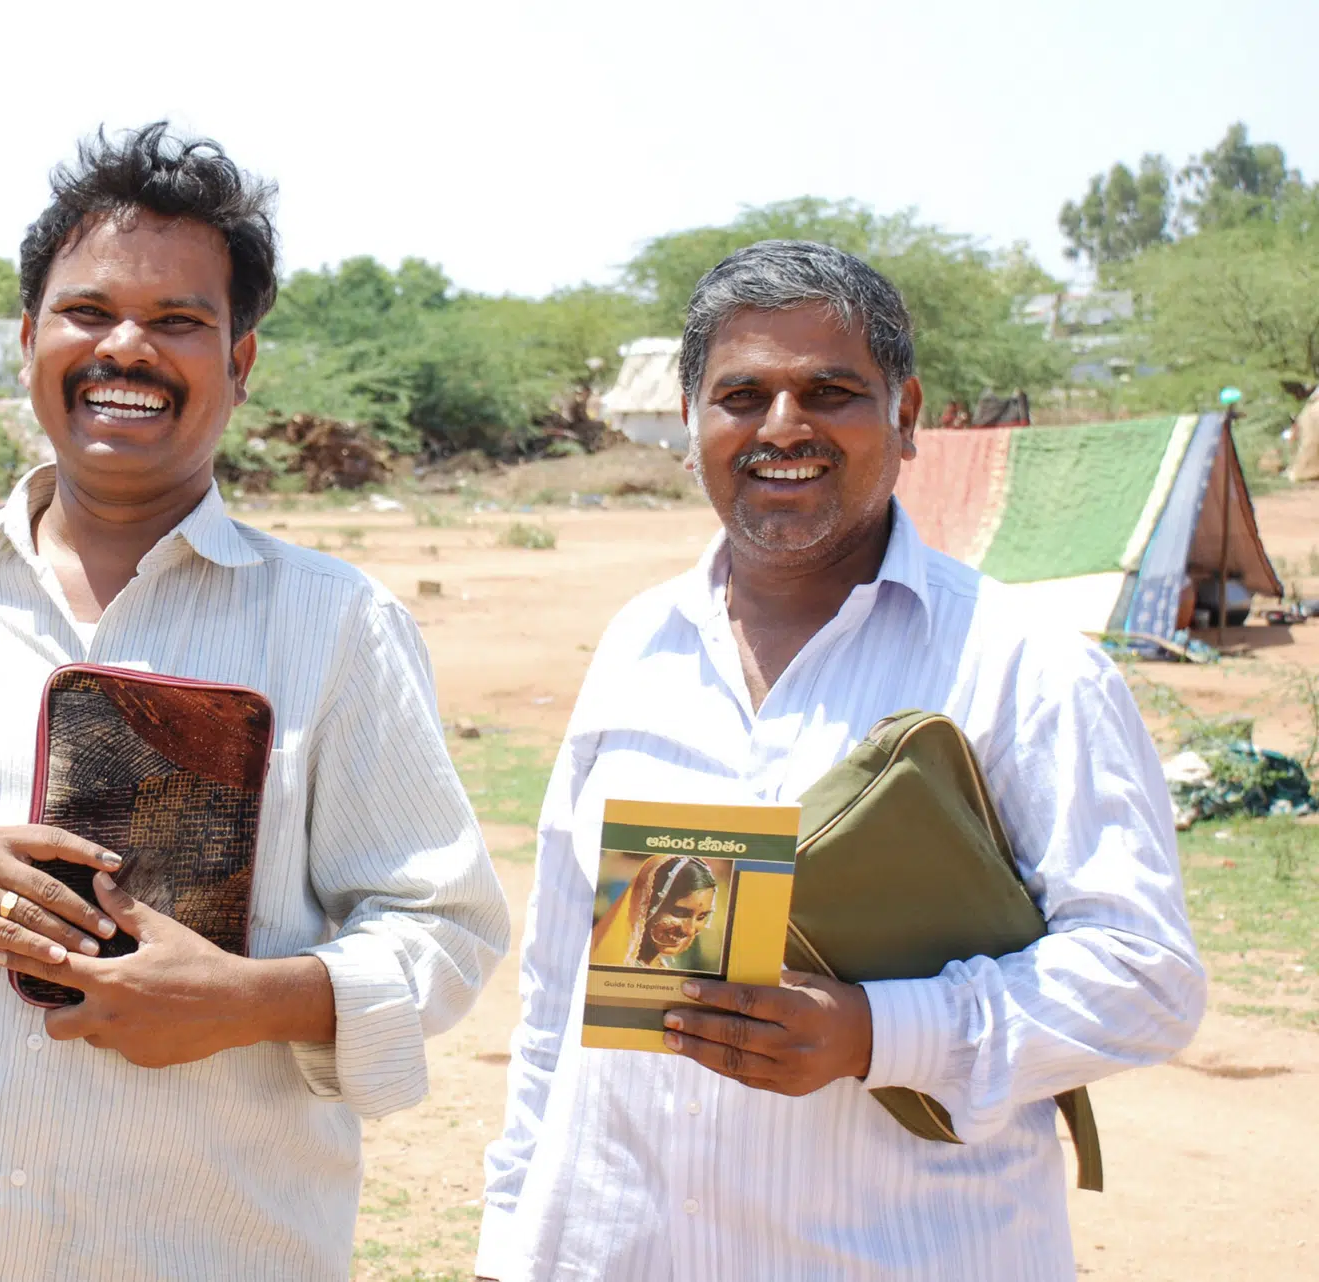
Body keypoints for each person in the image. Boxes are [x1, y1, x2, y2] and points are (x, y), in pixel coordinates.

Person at [0, 123, 509, 1281]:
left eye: (179, 320)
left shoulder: (335, 623)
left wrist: (249, 999)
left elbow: (443, 926)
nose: (126, 348)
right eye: (87, 312)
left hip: (222, 1242)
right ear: (32, 342)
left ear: (240, 363)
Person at [476, 241, 1204, 1281]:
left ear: (905, 415)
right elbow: (559, 986)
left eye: (829, 391)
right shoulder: (639, 645)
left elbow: (1144, 978)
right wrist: (510, 1243)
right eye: (741, 394)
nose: (782, 426)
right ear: (690, 424)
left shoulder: (1022, 666)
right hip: (612, 1249)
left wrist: (875, 1031)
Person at [589, 854, 719, 969]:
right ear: (647, 903)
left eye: (701, 917)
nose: (689, 930)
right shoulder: (611, 965)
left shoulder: (660, 966)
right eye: (679, 913)